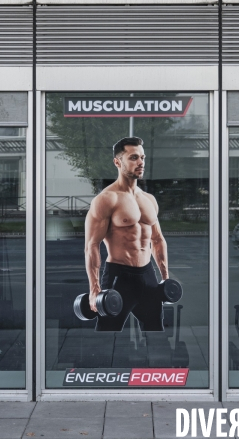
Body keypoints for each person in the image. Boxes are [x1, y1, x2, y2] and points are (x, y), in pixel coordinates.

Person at [84, 137, 169, 332]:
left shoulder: (149, 199)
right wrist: (94, 288)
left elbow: (157, 240)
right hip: (118, 277)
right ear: (117, 162)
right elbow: (92, 246)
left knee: (155, 330)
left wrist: (164, 278)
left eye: (142, 157)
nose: (141, 162)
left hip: (148, 275)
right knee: (108, 332)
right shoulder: (106, 199)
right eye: (133, 158)